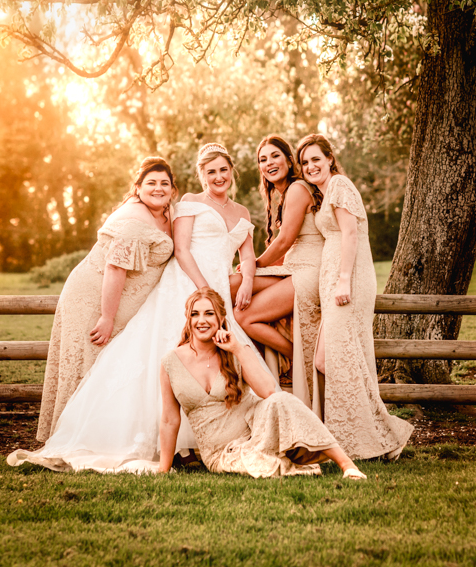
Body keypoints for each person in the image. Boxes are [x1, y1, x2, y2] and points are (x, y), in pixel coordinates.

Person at [9, 143, 269, 472]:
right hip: (189, 283)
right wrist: (204, 288)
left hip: (216, 289)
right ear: (200, 176)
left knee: (215, 357)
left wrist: (245, 280)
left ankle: (206, 439)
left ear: (233, 172)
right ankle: (166, 444)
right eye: (210, 171)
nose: (218, 176)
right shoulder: (185, 205)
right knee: (163, 353)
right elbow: (181, 251)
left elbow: (246, 254)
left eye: (223, 170)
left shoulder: (237, 213)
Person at [157, 288, 366, 479]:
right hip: (221, 452)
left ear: (221, 318)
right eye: (195, 314)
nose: (201, 320)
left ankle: (347, 465)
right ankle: (283, 458)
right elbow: (169, 420)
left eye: (209, 313)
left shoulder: (237, 350)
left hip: (259, 429)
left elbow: (268, 391)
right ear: (188, 318)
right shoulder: (171, 362)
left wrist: (237, 349)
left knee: (282, 399)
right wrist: (163, 470)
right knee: (262, 465)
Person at [37, 156, 176, 441]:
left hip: (116, 300)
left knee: (108, 364)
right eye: (151, 183)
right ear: (137, 188)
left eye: (164, 183)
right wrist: (107, 317)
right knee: (89, 362)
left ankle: (104, 434)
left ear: (173, 189)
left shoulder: (165, 212)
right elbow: (115, 267)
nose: (158, 188)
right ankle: (76, 437)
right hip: (93, 298)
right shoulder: (134, 220)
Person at [296, 134, 414, 460]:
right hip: (334, 280)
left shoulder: (339, 185)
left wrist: (344, 280)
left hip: (349, 281)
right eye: (305, 163)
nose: (310, 167)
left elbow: (350, 233)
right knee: (328, 359)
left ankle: (368, 439)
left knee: (338, 358)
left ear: (330, 158)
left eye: (316, 159)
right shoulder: (325, 192)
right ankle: (373, 433)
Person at [232, 135, 322, 405]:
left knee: (244, 315)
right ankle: (243, 371)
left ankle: (296, 358)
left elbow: (283, 241)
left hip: (310, 271)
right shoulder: (281, 195)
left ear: (289, 159)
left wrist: (254, 264)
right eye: (263, 159)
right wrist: (249, 271)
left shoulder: (297, 188)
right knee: (233, 284)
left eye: (275, 156)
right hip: (294, 268)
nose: (269, 163)